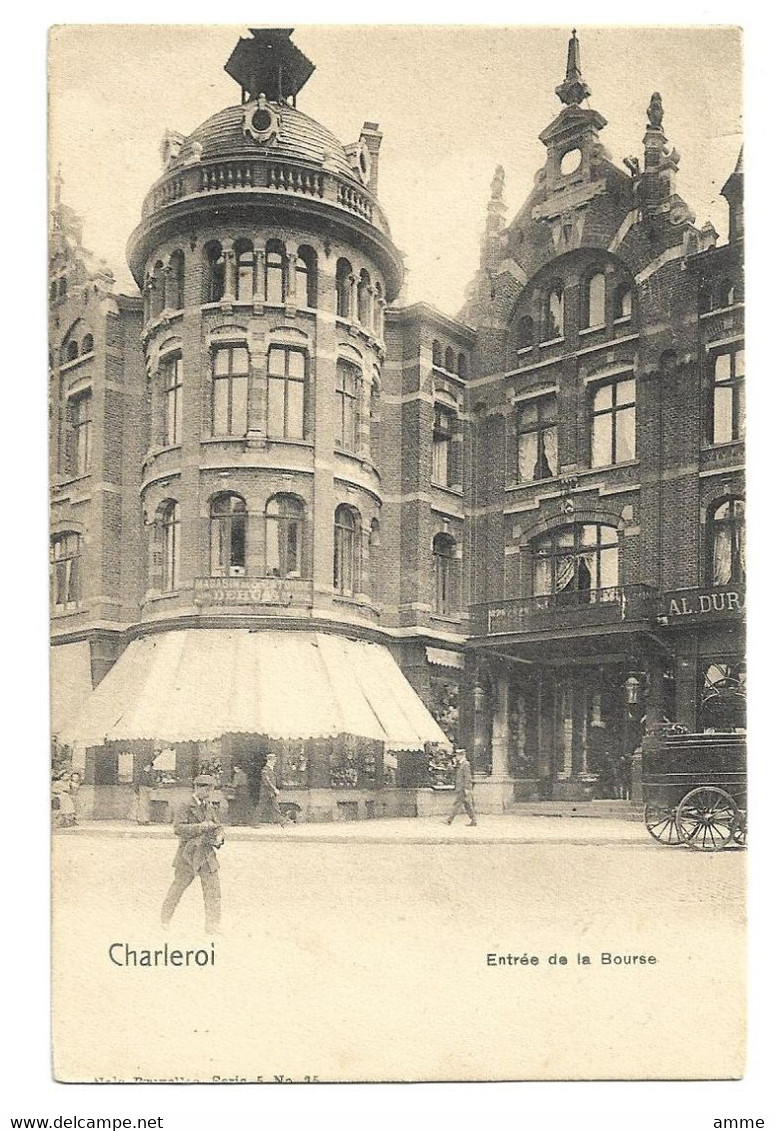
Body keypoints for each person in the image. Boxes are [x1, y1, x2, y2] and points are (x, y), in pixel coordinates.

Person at [161, 774, 224, 934]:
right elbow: (178, 828)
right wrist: (201, 827)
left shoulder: (208, 806)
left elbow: (217, 826)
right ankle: (164, 920)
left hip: (206, 854)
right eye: (206, 789)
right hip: (188, 854)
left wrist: (219, 836)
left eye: (210, 789)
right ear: (197, 788)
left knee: (213, 891)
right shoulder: (184, 805)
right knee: (178, 888)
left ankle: (212, 926)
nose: (208, 793)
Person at [446, 748, 477, 826]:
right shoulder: (460, 764)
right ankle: (474, 820)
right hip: (461, 787)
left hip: (463, 788)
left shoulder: (465, 764)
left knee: (457, 804)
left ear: (462, 755)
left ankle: (449, 820)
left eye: (458, 755)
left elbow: (467, 777)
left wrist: (467, 788)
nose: (456, 757)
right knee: (467, 805)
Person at [258, 752, 288, 825]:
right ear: (269, 760)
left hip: (270, 792)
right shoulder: (265, 770)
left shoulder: (270, 769)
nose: (274, 762)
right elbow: (267, 781)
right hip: (266, 792)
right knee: (261, 807)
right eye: (273, 760)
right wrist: (274, 789)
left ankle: (281, 821)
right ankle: (254, 822)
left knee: (275, 806)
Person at [134, 757, 156, 825]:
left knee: (146, 805)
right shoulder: (142, 774)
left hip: (146, 789)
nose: (149, 768)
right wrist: (136, 790)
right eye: (148, 766)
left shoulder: (149, 774)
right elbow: (138, 782)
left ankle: (145, 819)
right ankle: (141, 819)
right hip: (142, 789)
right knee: (142, 805)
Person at [229, 761, 252, 826]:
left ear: (237, 768)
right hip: (245, 792)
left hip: (239, 792)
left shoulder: (237, 775)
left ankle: (235, 821)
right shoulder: (244, 774)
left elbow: (235, 785)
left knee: (236, 807)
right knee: (244, 806)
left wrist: (230, 785)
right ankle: (245, 821)